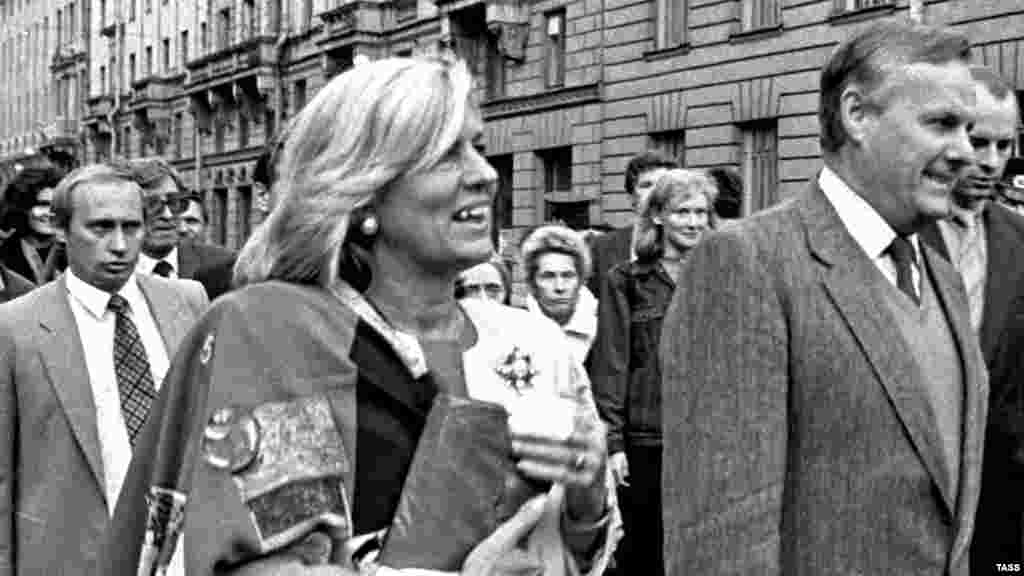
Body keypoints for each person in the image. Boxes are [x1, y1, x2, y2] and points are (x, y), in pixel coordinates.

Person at [102, 56, 619, 576]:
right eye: (446, 155)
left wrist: (587, 504)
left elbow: (565, 552)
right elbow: (259, 566)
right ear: (362, 190)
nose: (485, 174)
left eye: (478, 148)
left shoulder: (531, 342)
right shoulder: (278, 338)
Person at [661, 21, 988, 575]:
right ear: (856, 114)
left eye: (968, 128)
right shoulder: (748, 262)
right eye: (941, 124)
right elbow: (722, 537)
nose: (965, 152)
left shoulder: (940, 274)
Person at [0, 163, 208, 575]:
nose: (119, 245)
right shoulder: (15, 328)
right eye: (100, 228)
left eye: (131, 227)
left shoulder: (188, 302)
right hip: (71, 556)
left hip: (180, 555)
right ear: (61, 230)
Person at [918, 66, 1024, 572]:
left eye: (1005, 146)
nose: (991, 163)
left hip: (1000, 499)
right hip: (912, 492)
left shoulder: (1019, 239)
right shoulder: (899, 236)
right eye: (979, 141)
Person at [592, 169, 716, 576]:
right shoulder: (627, 281)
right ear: (659, 216)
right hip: (648, 441)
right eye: (683, 212)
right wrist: (613, 443)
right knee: (644, 556)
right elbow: (613, 363)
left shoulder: (726, 274)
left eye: (701, 212)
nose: (694, 222)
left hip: (708, 438)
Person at [129, 157, 238, 300]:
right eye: (152, 204)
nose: (167, 215)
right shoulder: (107, 272)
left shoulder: (224, 267)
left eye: (173, 202)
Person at [586, 151, 677, 299]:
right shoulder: (601, 248)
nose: (655, 192)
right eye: (646, 185)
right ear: (632, 198)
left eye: (662, 184)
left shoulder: (687, 246)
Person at [521, 224, 598, 365]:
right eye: (548, 276)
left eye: (568, 276)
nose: (559, 287)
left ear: (581, 280)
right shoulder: (516, 328)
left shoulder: (604, 326)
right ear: (532, 283)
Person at [0, 164, 68, 284]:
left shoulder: (75, 252)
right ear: (23, 207)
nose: (50, 213)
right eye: (43, 204)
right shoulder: (4, 254)